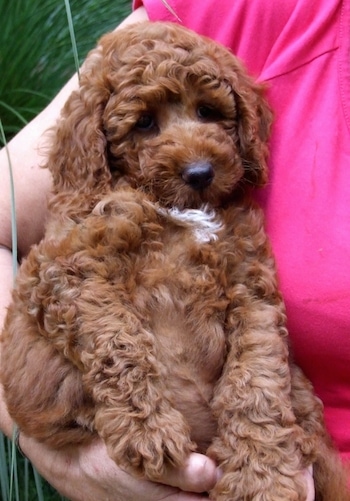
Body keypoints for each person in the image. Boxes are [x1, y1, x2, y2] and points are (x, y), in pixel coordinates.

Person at [1, 0, 349, 498]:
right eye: (144, 124)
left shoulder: (235, 227)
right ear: (96, 143)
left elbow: (256, 320)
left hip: (299, 461)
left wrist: (263, 444)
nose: (195, 158)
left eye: (209, 113)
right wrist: (71, 461)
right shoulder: (240, 10)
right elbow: (60, 280)